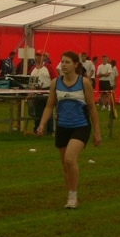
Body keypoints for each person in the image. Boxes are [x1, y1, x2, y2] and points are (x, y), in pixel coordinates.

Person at [37, 51, 101, 209]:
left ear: (76, 64)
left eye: (67, 62)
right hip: (62, 127)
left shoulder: (84, 82)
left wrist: (97, 131)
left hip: (81, 126)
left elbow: (92, 107)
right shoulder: (55, 83)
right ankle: (71, 194)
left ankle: (73, 197)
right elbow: (49, 106)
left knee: (70, 159)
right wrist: (42, 124)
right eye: (62, 62)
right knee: (65, 164)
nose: (64, 65)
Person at [30, 51, 54, 135]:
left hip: (47, 91)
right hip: (36, 92)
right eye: (37, 56)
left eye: (40, 56)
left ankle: (50, 130)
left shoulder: (48, 67)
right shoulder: (32, 68)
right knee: (38, 112)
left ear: (44, 57)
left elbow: (54, 78)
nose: (38, 58)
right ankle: (37, 129)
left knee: (48, 112)